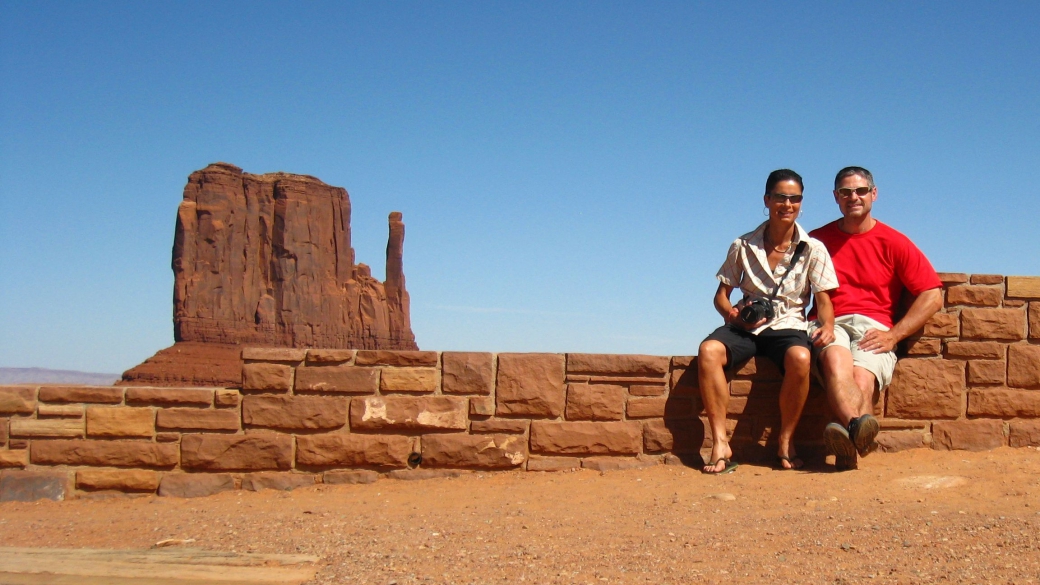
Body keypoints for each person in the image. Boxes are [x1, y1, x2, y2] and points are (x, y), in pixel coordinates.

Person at [699, 169, 838, 474]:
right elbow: (721, 296)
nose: (787, 205)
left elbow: (824, 300)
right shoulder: (743, 245)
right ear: (767, 199)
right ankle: (720, 443)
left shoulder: (813, 249)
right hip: (746, 326)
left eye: (794, 199)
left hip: (788, 323)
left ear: (800, 203)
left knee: (801, 357)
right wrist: (733, 315)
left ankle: (785, 441)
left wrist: (827, 326)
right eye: (780, 197)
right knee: (709, 350)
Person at [809, 166, 943, 471]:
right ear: (836, 198)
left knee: (861, 379)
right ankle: (859, 431)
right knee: (835, 362)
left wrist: (895, 335)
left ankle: (846, 445)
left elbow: (932, 295)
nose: (853, 197)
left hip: (875, 325)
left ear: (874, 194)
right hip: (830, 321)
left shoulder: (894, 241)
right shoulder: (816, 242)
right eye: (845, 192)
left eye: (860, 191)